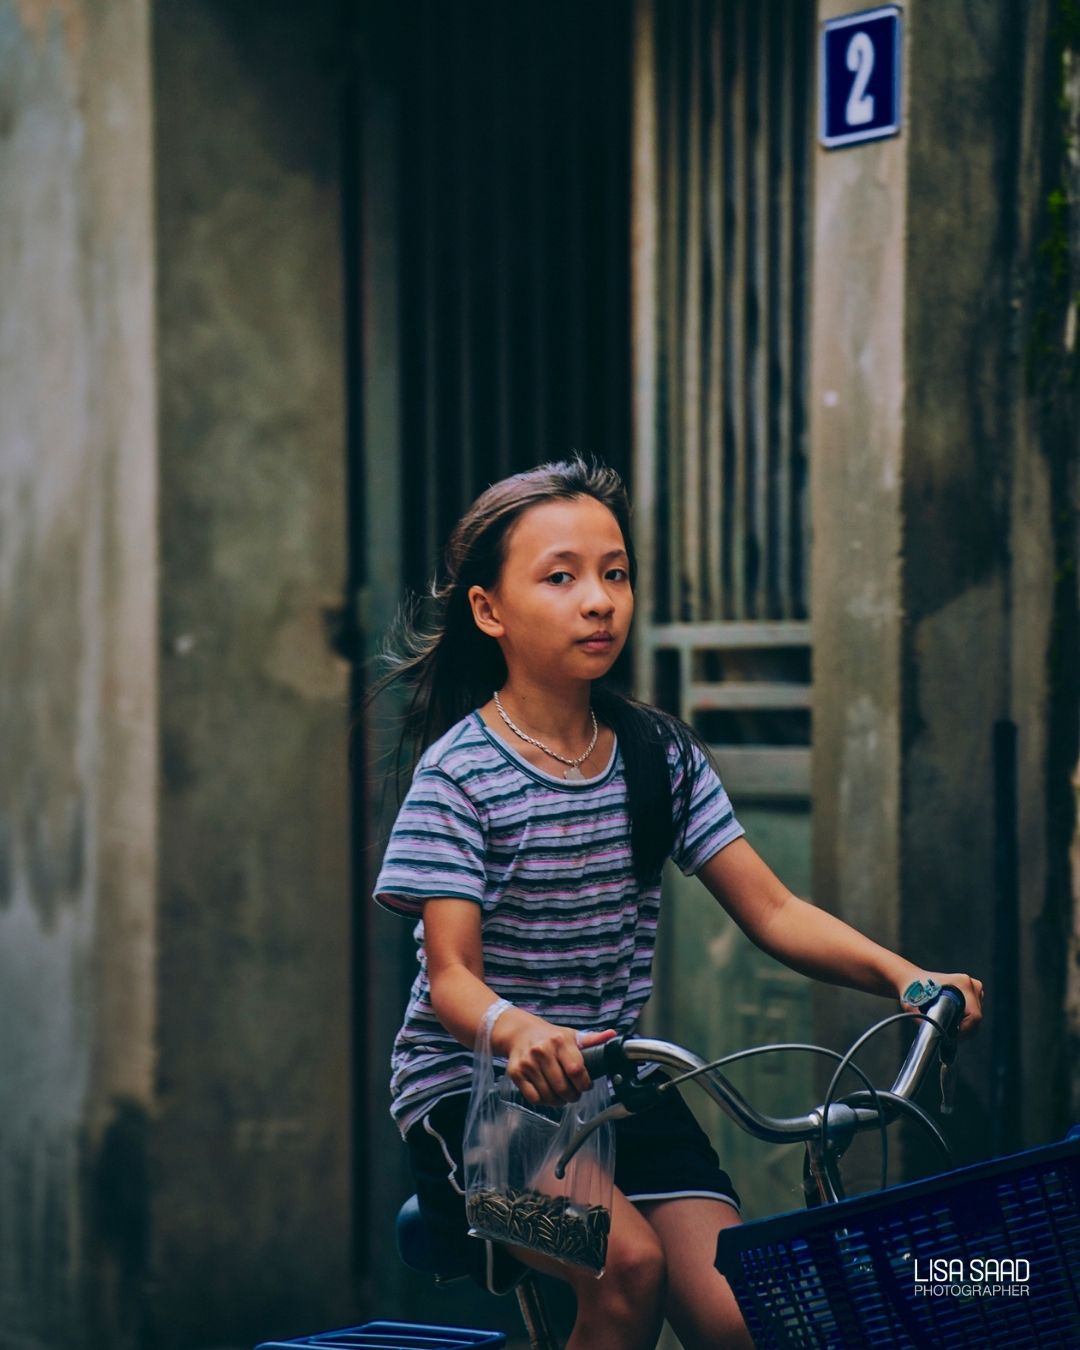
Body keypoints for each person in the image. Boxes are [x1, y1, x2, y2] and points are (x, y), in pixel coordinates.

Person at [370, 455, 984, 1350]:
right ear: (488, 610)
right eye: (562, 577)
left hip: (619, 1092)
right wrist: (520, 1032)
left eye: (615, 573)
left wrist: (907, 976)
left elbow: (771, 911)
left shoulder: (657, 756)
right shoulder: (457, 777)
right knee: (629, 1275)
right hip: (474, 1117)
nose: (599, 599)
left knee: (744, 1315)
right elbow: (452, 976)